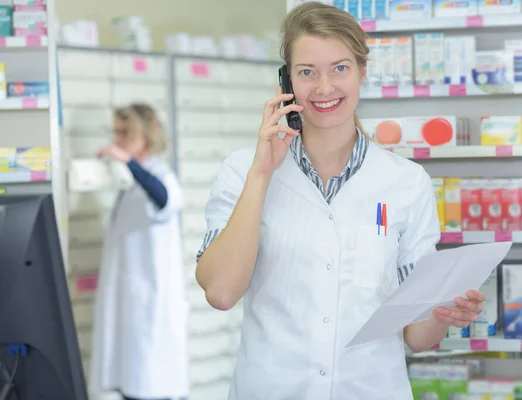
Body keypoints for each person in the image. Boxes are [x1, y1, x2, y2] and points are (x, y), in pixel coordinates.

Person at [195, 3, 484, 399]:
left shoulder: (405, 181)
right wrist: (262, 174)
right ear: (286, 82)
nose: (325, 87)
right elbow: (221, 293)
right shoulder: (243, 170)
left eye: (340, 68)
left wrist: (445, 314)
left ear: (363, 72)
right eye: (307, 72)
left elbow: (417, 337)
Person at [89, 104, 189, 400]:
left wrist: (128, 162)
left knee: (151, 383)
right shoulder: (132, 182)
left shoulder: (158, 174)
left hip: (150, 305)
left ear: (144, 135)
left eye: (125, 132)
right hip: (131, 304)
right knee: (131, 383)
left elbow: (164, 197)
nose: (117, 139)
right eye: (116, 132)